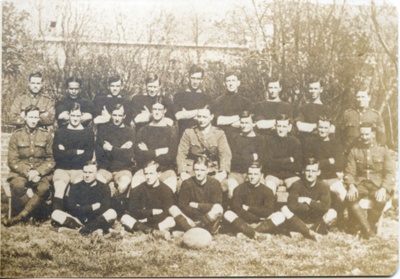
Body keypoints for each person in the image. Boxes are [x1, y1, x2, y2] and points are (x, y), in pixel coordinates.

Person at [2, 105, 55, 226]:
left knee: (44, 188)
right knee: (18, 186)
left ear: (38, 119)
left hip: (40, 172)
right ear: (25, 117)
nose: (33, 120)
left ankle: (21, 217)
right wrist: (27, 172)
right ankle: (38, 214)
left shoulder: (46, 135)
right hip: (21, 172)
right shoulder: (16, 135)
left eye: (35, 117)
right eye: (30, 117)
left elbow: (51, 159)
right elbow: (12, 161)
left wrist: (38, 172)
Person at [344, 123, 395, 239]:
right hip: (360, 184)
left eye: (367, 134)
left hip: (377, 185)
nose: (364, 137)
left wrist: (384, 188)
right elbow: (349, 172)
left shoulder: (383, 150)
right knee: (350, 198)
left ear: (373, 134)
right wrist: (351, 186)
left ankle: (366, 227)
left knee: (381, 199)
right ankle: (369, 231)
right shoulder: (355, 150)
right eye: (362, 134)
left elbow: (390, 172)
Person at [51, 161, 117, 235]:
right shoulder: (75, 187)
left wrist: (81, 207)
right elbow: (72, 208)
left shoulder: (104, 187)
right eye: (85, 172)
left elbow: (104, 208)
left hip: (96, 219)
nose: (87, 175)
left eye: (90, 172)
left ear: (96, 173)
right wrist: (92, 207)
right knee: (55, 213)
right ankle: (91, 230)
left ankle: (81, 230)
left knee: (112, 213)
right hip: (78, 219)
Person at [303, 116, 347, 228]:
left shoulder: (335, 143)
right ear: (317, 127)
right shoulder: (310, 142)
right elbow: (308, 161)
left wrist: (320, 162)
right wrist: (329, 161)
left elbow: (339, 164)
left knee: (342, 193)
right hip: (315, 178)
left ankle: (346, 221)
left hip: (331, 178)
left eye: (325, 128)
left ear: (330, 129)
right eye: (320, 127)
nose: (322, 130)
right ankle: (316, 221)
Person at [176, 105, 231, 193]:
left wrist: (223, 171)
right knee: (181, 185)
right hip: (193, 168)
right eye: (199, 116)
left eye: (204, 117)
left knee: (223, 186)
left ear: (211, 117)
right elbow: (181, 153)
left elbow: (225, 154)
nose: (201, 120)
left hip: (212, 169)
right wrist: (182, 172)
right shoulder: (189, 132)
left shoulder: (219, 133)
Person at [223, 162, 286, 239]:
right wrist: (254, 217)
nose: (252, 177)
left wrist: (249, 208)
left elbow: (268, 211)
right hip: (244, 221)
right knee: (228, 214)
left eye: (255, 174)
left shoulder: (267, 191)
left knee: (280, 216)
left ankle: (247, 233)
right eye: (250, 174)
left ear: (261, 175)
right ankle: (256, 234)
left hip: (261, 222)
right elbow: (237, 209)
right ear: (247, 175)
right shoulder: (239, 189)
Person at [52, 103, 95, 211]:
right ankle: (56, 214)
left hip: (80, 169)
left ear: (81, 116)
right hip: (63, 169)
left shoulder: (88, 132)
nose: (75, 118)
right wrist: (76, 152)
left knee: (80, 192)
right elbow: (58, 155)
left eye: (77, 116)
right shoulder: (60, 132)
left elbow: (87, 155)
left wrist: (66, 152)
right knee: (60, 186)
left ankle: (77, 215)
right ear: (69, 116)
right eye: (73, 115)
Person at [131, 99, 178, 193]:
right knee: (136, 184)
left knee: (170, 187)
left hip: (165, 169)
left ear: (165, 111)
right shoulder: (143, 130)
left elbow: (170, 156)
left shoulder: (171, 131)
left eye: (159, 109)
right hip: (145, 169)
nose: (156, 112)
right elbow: (139, 155)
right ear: (151, 111)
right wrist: (158, 152)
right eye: (154, 109)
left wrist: (148, 152)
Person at [95, 103, 135, 216]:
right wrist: (120, 150)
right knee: (98, 182)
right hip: (105, 169)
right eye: (114, 115)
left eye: (119, 115)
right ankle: (104, 212)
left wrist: (111, 149)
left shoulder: (130, 131)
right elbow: (100, 154)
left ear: (124, 116)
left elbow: (128, 156)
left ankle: (113, 208)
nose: (117, 118)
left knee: (123, 184)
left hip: (123, 169)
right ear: (111, 115)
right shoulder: (103, 130)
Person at [279, 158, 332, 240]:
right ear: (303, 171)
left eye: (313, 171)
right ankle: (310, 232)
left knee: (332, 213)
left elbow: (325, 206)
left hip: (315, 219)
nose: (310, 174)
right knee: (284, 209)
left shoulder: (323, 186)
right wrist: (315, 204)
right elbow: (292, 206)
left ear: (318, 172)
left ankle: (305, 230)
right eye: (308, 171)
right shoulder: (296, 185)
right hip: (299, 219)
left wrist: (308, 200)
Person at [169, 156, 223, 234]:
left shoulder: (214, 183)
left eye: (202, 170)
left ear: (207, 170)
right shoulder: (187, 183)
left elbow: (216, 205)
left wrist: (197, 205)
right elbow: (183, 206)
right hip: (191, 218)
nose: (199, 173)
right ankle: (196, 230)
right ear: (193, 170)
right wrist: (197, 214)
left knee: (218, 208)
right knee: (172, 208)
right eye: (197, 170)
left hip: (207, 218)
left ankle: (191, 230)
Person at [121, 161, 176, 237]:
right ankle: (154, 232)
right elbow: (132, 210)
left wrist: (148, 219)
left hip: (155, 221)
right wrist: (151, 211)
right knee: (125, 218)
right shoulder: (138, 189)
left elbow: (166, 212)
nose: (148, 177)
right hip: (140, 220)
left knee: (171, 220)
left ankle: (144, 230)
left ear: (159, 174)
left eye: (151, 173)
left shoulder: (166, 190)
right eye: (146, 174)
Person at [226, 110, 266, 199]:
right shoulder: (235, 138)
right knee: (232, 190)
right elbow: (234, 159)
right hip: (237, 173)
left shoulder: (260, 139)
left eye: (247, 123)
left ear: (253, 123)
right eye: (242, 123)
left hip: (254, 173)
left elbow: (261, 159)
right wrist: (252, 157)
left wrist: (243, 158)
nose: (244, 126)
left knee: (259, 193)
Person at [212, 71, 253, 147]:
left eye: (233, 80)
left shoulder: (246, 102)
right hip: (223, 139)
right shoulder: (218, 101)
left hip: (241, 139)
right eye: (228, 81)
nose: (231, 83)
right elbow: (219, 121)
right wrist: (239, 117)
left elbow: (247, 123)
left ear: (238, 83)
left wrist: (227, 121)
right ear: (225, 83)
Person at [263, 114, 302, 195]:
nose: (281, 129)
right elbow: (268, 163)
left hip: (291, 175)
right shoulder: (269, 141)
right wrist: (288, 160)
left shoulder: (295, 142)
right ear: (275, 126)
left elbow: (298, 165)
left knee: (296, 189)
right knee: (269, 189)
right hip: (273, 175)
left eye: (284, 126)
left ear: (289, 127)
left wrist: (277, 162)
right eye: (279, 126)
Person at [340, 86, 386, 153]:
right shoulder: (347, 115)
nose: (360, 99)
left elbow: (381, 138)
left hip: (370, 154)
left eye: (363, 97)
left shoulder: (375, 115)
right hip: (350, 153)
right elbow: (340, 135)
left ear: (369, 98)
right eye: (358, 97)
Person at [173, 64, 211, 138]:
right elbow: (178, 115)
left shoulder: (206, 98)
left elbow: (207, 119)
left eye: (198, 79)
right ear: (189, 78)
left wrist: (186, 114)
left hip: (201, 137)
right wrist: (199, 112)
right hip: (184, 136)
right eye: (193, 78)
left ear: (202, 80)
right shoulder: (179, 96)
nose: (195, 81)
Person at [295, 76, 334, 143]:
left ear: (321, 89)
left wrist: (310, 127)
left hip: (322, 145)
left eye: (315, 88)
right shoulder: (303, 108)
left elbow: (332, 129)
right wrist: (321, 127)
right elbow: (300, 126)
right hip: (306, 144)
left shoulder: (327, 109)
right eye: (311, 88)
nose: (313, 91)